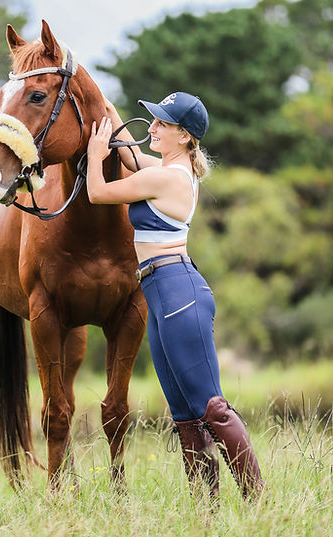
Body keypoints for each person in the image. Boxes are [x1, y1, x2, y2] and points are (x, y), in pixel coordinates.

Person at [86, 92, 265, 504]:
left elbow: (98, 192)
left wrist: (96, 154)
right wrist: (106, 109)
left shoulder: (167, 177)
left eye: (161, 124)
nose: (150, 128)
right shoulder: (172, 169)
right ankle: (207, 510)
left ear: (184, 136)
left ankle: (260, 504)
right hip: (161, 291)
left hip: (178, 291)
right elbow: (132, 159)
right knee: (186, 415)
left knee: (212, 408)